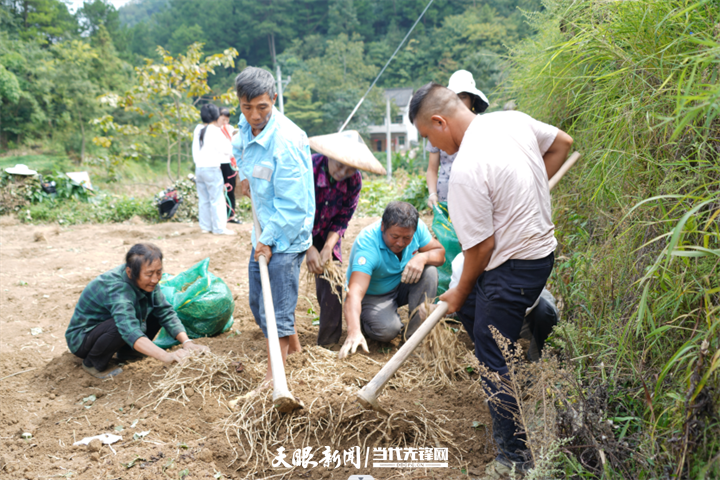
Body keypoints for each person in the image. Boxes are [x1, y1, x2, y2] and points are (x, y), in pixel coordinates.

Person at [409, 82, 573, 478]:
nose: (434, 146)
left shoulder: (466, 170)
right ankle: (526, 321)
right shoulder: (511, 121)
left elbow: (480, 251)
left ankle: (515, 458)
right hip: (540, 255)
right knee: (470, 309)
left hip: (515, 266)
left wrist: (458, 288)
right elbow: (562, 143)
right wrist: (524, 197)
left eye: (429, 136)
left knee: (488, 346)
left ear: (439, 120)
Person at [231, 66, 315, 386]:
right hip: (263, 226)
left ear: (275, 99)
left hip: (286, 232)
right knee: (258, 300)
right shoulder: (245, 123)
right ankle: (294, 349)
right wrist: (245, 176)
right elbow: (242, 148)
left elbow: (293, 208)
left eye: (262, 107)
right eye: (247, 107)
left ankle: (274, 379)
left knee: (274, 306)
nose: (254, 115)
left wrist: (268, 240)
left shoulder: (287, 143)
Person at [64, 243, 210, 379]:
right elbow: (128, 329)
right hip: (83, 339)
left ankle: (128, 353)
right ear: (130, 272)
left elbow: (165, 311)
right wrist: (166, 356)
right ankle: (93, 362)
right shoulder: (118, 288)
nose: (155, 279)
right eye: (149, 274)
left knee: (154, 309)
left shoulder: (147, 283)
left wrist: (187, 342)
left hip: (106, 330)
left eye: (158, 272)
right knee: (120, 325)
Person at [306, 130, 386, 346]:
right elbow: (293, 212)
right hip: (294, 230)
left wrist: (327, 248)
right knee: (283, 275)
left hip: (326, 233)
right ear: (329, 156)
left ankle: (328, 343)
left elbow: (342, 219)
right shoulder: (308, 169)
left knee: (333, 283)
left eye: (350, 169)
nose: (343, 172)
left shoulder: (354, 182)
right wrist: (307, 247)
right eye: (340, 165)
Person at [338, 201, 446, 359]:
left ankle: (414, 339)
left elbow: (440, 253)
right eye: (394, 236)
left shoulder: (417, 228)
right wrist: (353, 332)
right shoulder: (368, 244)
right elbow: (354, 292)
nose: (400, 243)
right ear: (383, 226)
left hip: (401, 283)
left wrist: (423, 257)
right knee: (388, 330)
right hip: (373, 294)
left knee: (429, 271)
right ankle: (363, 321)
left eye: (407, 238)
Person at [425, 70, 489, 209]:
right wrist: (432, 194)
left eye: (464, 96)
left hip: (476, 196)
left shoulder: (482, 128)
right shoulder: (438, 128)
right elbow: (432, 169)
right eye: (455, 97)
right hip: (445, 197)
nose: (459, 101)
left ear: (473, 99)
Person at [192, 103, 235, 235]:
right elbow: (227, 149)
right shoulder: (214, 131)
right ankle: (219, 228)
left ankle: (206, 227)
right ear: (216, 116)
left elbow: (195, 149)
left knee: (204, 199)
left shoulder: (199, 129)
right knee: (217, 199)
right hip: (212, 168)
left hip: (199, 168)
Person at [218, 107, 240, 224]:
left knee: (231, 189)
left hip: (230, 162)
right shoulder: (216, 130)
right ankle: (222, 215)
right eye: (223, 119)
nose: (225, 122)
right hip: (221, 163)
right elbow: (226, 149)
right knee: (223, 189)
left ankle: (230, 215)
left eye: (227, 119)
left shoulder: (229, 129)